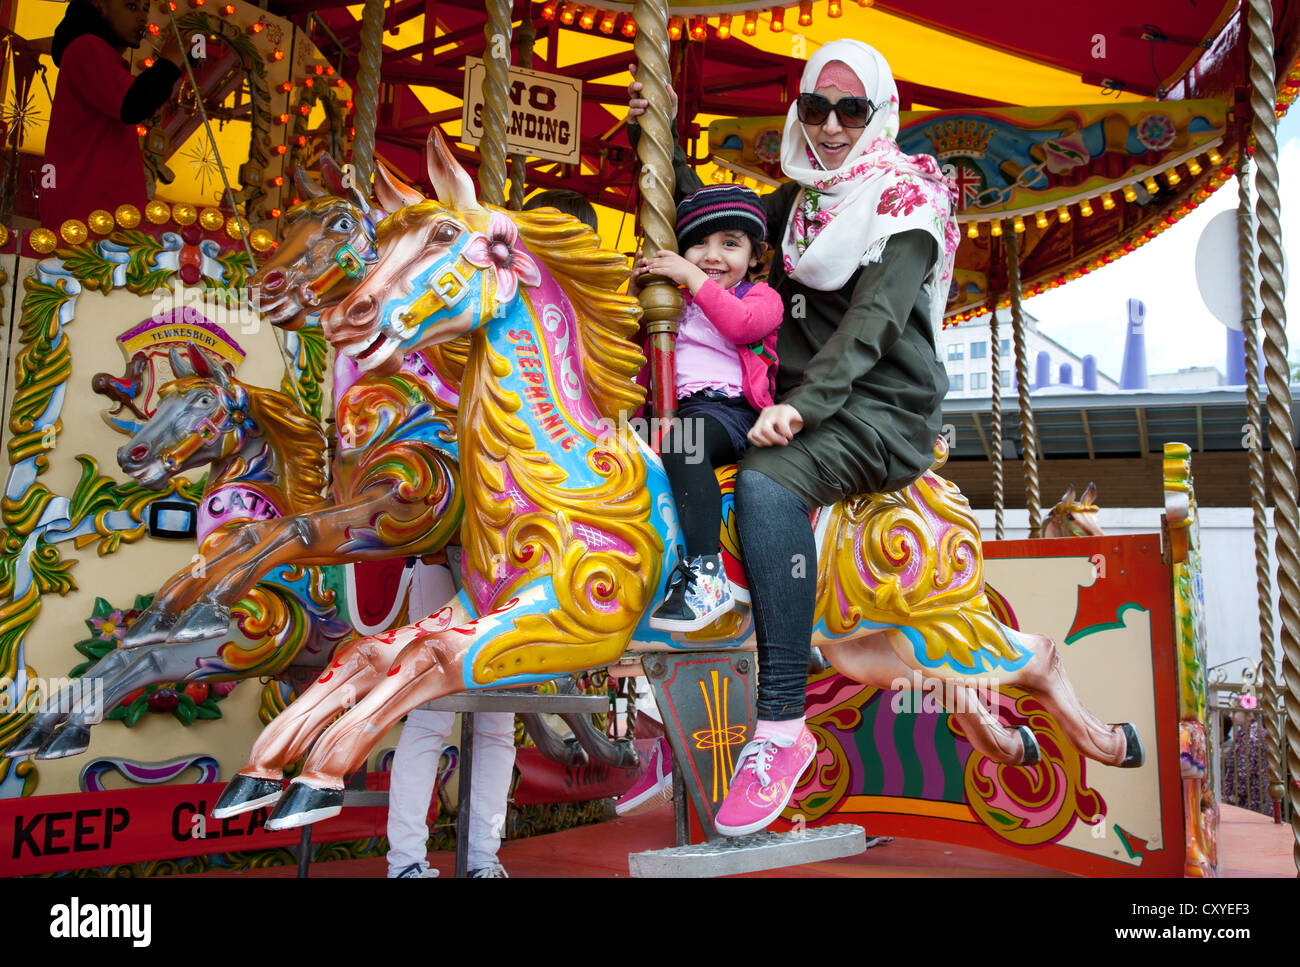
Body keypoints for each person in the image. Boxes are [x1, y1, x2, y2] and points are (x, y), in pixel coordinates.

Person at [628, 40, 959, 836]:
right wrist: (658, 148)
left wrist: (802, 410)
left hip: (878, 407)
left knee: (771, 480)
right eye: (817, 108)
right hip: (800, 402)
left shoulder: (906, 202)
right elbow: (723, 222)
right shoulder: (801, 201)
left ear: (881, 113)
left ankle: (780, 725)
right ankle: (702, 577)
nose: (834, 126)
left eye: (853, 110)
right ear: (799, 112)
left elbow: (875, 322)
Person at [387, 188, 606, 878]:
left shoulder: (579, 335)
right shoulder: (478, 317)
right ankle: (406, 859)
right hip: (456, 536)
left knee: (497, 713)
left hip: (523, 548)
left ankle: (482, 854)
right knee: (429, 704)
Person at [634, 184, 782, 632]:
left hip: (731, 411)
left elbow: (743, 327)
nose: (712, 255)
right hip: (671, 410)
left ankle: (706, 574)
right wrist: (639, 284)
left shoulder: (758, 297)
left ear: (756, 256)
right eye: (699, 243)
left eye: (730, 244)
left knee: (685, 442)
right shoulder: (675, 302)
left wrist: (691, 277)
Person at [41, 0, 189, 229]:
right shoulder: (86, 49)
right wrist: (169, 63)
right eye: (131, 7)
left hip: (99, 213)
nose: (142, 17)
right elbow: (133, 103)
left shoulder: (98, 56)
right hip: (92, 215)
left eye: (145, 9)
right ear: (101, 6)